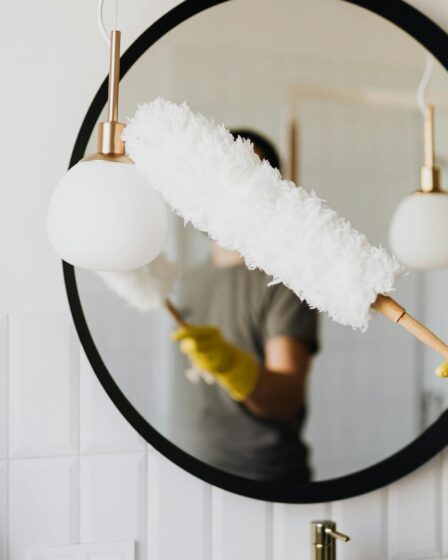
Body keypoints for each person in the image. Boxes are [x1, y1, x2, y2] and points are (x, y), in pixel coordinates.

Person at [169, 130, 319, 482]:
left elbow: (287, 400)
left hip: (265, 477)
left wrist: (233, 367)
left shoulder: (287, 281)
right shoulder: (189, 281)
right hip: (188, 468)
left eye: (242, 177)